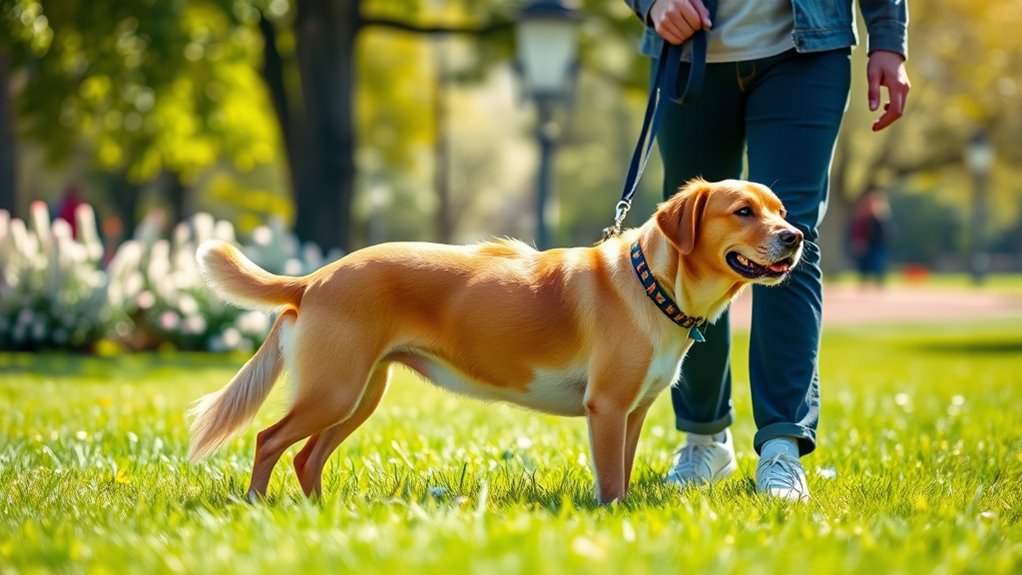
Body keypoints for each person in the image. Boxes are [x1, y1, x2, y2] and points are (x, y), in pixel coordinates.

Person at [623, 0, 910, 500]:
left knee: (787, 235)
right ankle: (704, 437)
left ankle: (781, 448)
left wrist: (887, 37)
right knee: (688, 243)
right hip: (690, 51)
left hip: (806, 49)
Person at [849, 188, 896, 288]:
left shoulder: (881, 215)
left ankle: (879, 281)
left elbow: (886, 231)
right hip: (866, 243)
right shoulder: (862, 216)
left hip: (878, 243)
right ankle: (864, 281)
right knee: (864, 263)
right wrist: (858, 241)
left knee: (878, 262)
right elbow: (858, 229)